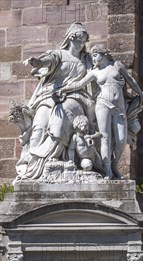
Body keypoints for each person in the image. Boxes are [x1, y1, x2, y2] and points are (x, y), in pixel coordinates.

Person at [12, 22, 95, 180]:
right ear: (71, 38)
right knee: (39, 126)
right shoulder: (59, 55)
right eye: (80, 40)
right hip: (49, 96)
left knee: (60, 116)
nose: (83, 44)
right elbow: (47, 60)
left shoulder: (87, 60)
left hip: (75, 97)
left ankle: (52, 160)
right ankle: (32, 167)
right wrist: (37, 62)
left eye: (85, 41)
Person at [59, 44, 143, 179]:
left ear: (103, 53)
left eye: (95, 55)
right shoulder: (95, 72)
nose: (93, 59)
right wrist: (63, 89)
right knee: (105, 138)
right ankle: (109, 170)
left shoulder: (117, 65)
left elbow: (131, 81)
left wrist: (140, 94)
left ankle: (115, 164)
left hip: (119, 107)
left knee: (121, 139)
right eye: (92, 56)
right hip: (102, 105)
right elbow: (79, 84)